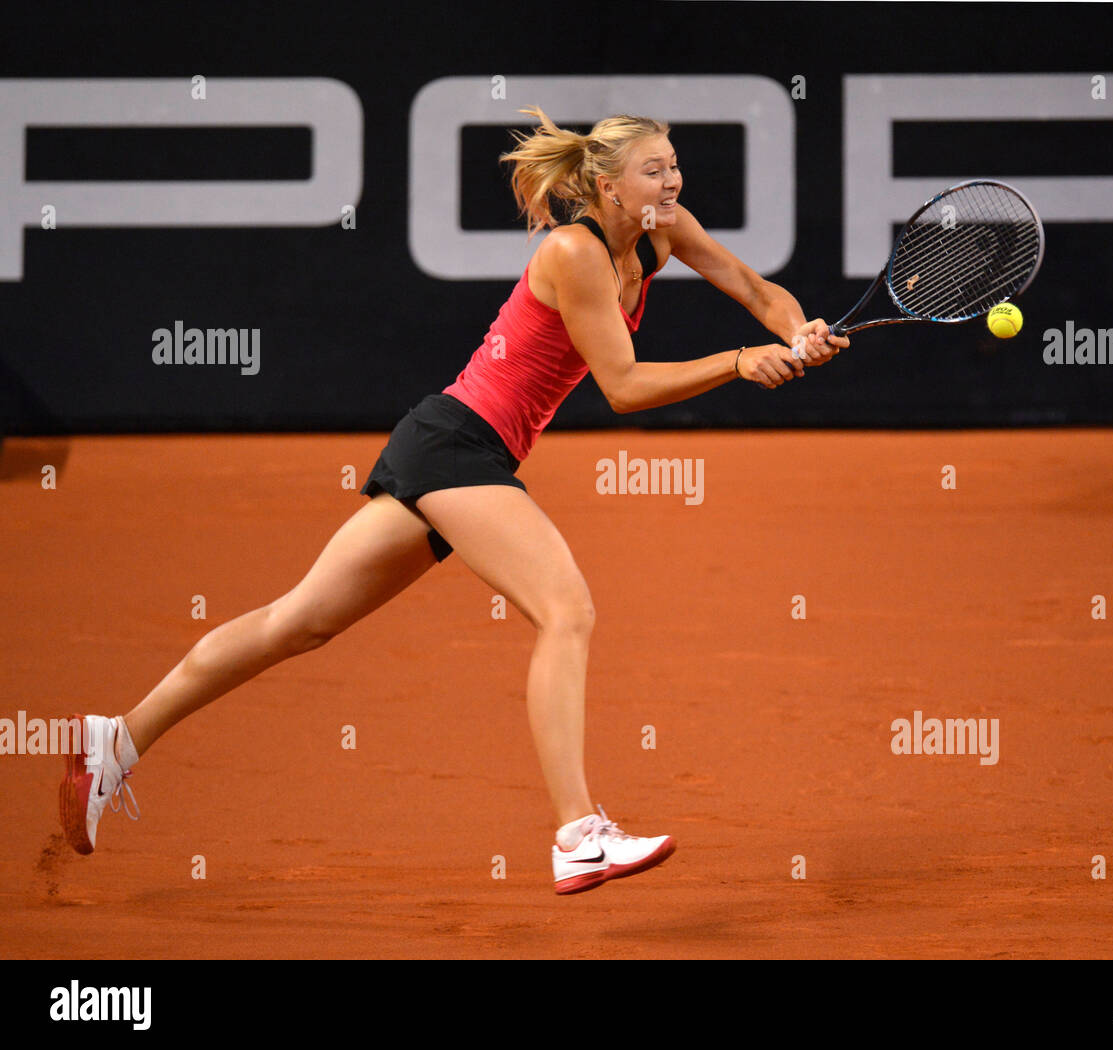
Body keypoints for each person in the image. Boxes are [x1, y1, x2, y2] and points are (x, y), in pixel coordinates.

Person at [60, 106, 847, 895]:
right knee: (566, 609)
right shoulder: (575, 253)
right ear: (607, 186)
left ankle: (118, 739)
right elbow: (624, 386)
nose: (671, 180)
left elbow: (748, 284)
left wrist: (797, 330)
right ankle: (578, 832)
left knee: (299, 622)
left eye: (674, 164)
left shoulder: (663, 230)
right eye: (654, 169)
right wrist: (741, 363)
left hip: (448, 445)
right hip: (458, 447)